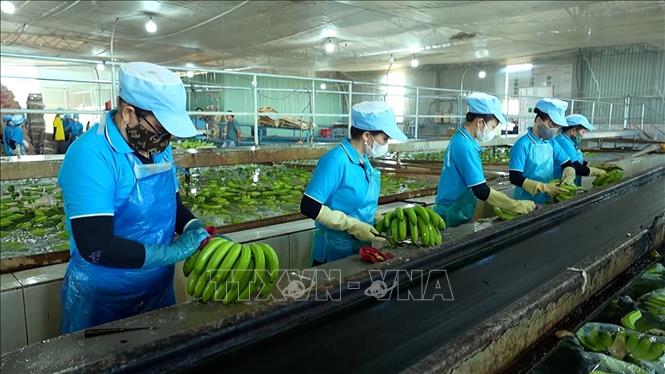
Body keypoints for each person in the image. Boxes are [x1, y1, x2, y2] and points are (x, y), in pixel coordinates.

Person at [58, 62, 210, 334]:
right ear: (129, 113)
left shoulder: (156, 146)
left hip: (158, 292)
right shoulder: (91, 155)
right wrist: (173, 252)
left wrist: (194, 227)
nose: (165, 140)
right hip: (103, 303)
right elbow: (95, 246)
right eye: (161, 129)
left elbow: (171, 205)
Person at [300, 101, 407, 265]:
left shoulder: (363, 160)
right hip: (333, 253)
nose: (385, 144)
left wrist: (379, 219)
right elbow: (309, 206)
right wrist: (352, 225)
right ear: (366, 135)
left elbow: (359, 203)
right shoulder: (336, 160)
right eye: (384, 138)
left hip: (360, 251)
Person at [434, 93, 535, 227]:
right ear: (480, 122)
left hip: (454, 208)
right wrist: (516, 205)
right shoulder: (465, 147)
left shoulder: (461, 138)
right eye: (492, 127)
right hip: (451, 213)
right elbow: (481, 190)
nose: (492, 131)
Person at [508, 98, 589, 203]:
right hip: (526, 200)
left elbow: (567, 163)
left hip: (548, 198)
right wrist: (543, 187)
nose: (554, 129)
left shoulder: (551, 142)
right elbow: (514, 177)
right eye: (552, 125)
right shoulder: (522, 145)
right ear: (539, 121)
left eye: (557, 126)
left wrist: (569, 175)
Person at [552, 114, 606, 186]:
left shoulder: (569, 142)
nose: (583, 135)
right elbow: (575, 166)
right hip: (560, 183)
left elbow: (574, 159)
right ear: (573, 130)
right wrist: (598, 172)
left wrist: (595, 165)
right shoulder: (564, 142)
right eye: (583, 132)